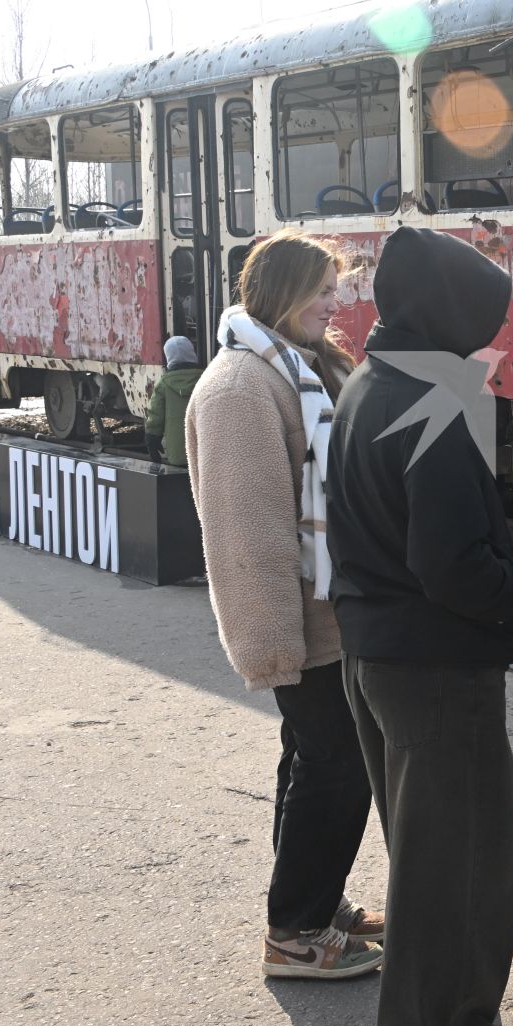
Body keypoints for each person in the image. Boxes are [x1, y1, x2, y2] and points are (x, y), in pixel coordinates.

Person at [327, 225, 513, 1026]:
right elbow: (450, 562)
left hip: (375, 658)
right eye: (481, 322)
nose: (488, 340)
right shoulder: (433, 402)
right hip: (437, 674)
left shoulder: (368, 382)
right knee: (463, 881)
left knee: (429, 870)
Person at [182, 230, 384, 981]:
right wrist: (271, 645)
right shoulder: (242, 387)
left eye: (335, 288)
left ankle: (313, 902)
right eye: (322, 290)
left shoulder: (295, 367)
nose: (336, 303)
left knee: (314, 761)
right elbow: (246, 535)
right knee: (338, 766)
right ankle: (294, 931)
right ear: (282, 292)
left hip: (329, 614)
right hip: (299, 623)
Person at [145, 336, 204, 467]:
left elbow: (155, 417)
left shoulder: (164, 384)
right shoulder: (206, 379)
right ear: (191, 353)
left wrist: (152, 439)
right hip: (205, 452)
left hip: (178, 454)